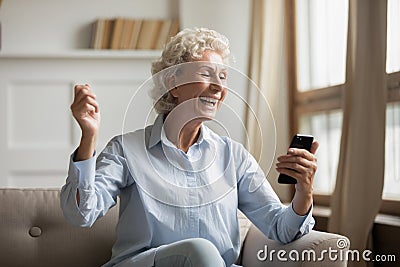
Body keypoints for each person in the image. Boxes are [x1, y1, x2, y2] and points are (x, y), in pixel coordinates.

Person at [60, 28, 319, 267]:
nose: (218, 86)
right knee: (200, 250)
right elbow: (81, 214)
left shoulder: (234, 156)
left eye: (223, 77)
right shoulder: (126, 150)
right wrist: (89, 137)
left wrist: (304, 191)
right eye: (206, 74)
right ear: (173, 84)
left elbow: (281, 228)